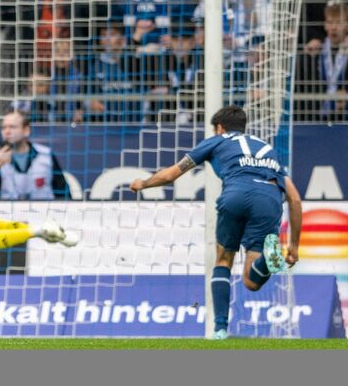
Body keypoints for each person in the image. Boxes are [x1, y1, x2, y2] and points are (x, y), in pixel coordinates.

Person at [129, 106, 302, 340]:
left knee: (223, 259)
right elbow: (294, 198)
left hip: (236, 194)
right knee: (252, 281)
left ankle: (220, 329)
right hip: (268, 199)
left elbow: (172, 173)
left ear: (219, 127)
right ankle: (267, 260)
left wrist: (144, 183)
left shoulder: (216, 141)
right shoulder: (267, 149)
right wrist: (293, 246)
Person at [0, 110, 69, 200]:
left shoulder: (46, 154)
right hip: (8, 213)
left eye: (12, 127)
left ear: (26, 130)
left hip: (44, 212)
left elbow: (62, 190)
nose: (7, 131)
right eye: (4, 127)